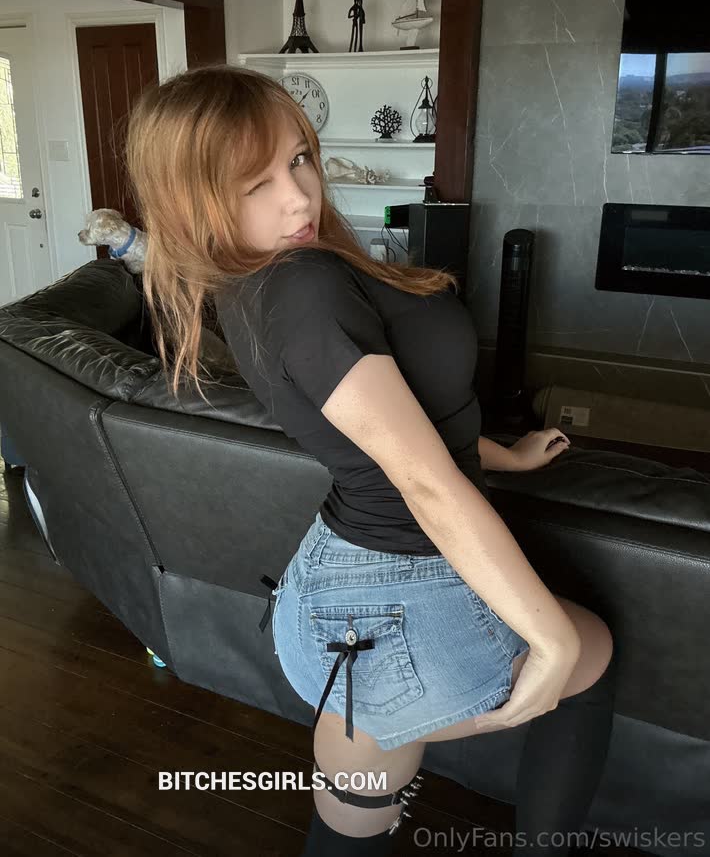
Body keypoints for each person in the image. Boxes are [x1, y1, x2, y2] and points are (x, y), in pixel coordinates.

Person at [124, 64, 617, 856]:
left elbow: (395, 424)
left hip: (334, 586)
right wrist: (551, 640)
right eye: (255, 184)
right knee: (592, 654)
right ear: (193, 203)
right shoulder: (304, 289)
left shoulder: (245, 283)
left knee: (356, 810)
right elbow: (422, 478)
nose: (298, 197)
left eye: (298, 159)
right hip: (403, 592)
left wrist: (506, 456)